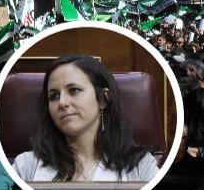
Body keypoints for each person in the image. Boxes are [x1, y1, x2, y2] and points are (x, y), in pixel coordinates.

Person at [13, 55, 159, 182]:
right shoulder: (26, 165)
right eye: (54, 96)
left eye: (74, 91)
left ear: (103, 99)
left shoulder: (140, 165)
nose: (62, 102)